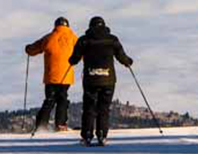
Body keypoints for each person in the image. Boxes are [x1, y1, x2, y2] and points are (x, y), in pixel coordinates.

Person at [69, 16, 133, 147]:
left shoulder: (84, 40)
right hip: (108, 79)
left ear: (90, 26)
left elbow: (74, 59)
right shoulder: (112, 40)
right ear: (104, 26)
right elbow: (122, 57)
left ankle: (86, 136)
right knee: (104, 108)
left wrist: (71, 61)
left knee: (89, 108)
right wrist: (128, 62)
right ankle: (102, 136)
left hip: (90, 79)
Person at [25, 16, 78, 133]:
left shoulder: (49, 38)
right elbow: (82, 51)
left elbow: (33, 49)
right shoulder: (73, 38)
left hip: (51, 76)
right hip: (66, 76)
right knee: (63, 99)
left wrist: (28, 49)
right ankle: (60, 124)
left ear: (56, 26)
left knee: (49, 100)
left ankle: (40, 125)